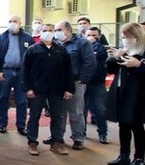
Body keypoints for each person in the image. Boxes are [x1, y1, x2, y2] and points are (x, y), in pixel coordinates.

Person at [105, 23, 145, 165]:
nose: (123, 40)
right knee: (123, 123)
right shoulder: (125, 49)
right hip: (121, 89)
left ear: (135, 36)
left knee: (136, 125)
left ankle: (139, 159)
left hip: (139, 92)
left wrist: (138, 64)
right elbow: (111, 70)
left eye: (125, 37)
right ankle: (124, 154)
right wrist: (113, 58)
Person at [21, 23, 74, 156]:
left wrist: (69, 89)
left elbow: (68, 71)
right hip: (37, 90)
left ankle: (56, 143)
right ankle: (32, 142)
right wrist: (28, 88)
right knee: (34, 116)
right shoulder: (32, 50)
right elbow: (25, 71)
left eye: (51, 30)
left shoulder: (61, 50)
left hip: (57, 89)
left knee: (58, 116)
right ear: (40, 32)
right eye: (45, 30)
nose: (48, 33)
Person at [49, 21, 96, 151]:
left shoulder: (82, 43)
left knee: (76, 112)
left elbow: (89, 62)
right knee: (59, 112)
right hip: (57, 84)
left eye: (59, 29)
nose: (56, 32)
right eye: (55, 30)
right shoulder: (55, 44)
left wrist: (82, 80)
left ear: (68, 30)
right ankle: (58, 136)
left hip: (75, 83)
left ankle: (78, 138)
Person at [0, 15, 34, 135]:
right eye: (10, 21)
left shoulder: (28, 38)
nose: (12, 23)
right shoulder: (0, 38)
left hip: (21, 73)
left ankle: (21, 125)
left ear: (20, 23)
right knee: (2, 98)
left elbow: (32, 58)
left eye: (15, 21)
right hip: (5, 71)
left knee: (22, 100)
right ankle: (2, 124)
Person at [84, 26, 109, 144]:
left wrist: (94, 45)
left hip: (98, 83)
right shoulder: (81, 46)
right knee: (81, 109)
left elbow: (101, 56)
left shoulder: (102, 48)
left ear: (99, 36)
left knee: (100, 109)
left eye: (94, 35)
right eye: (89, 35)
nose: (91, 37)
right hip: (83, 82)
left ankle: (103, 133)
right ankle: (81, 133)